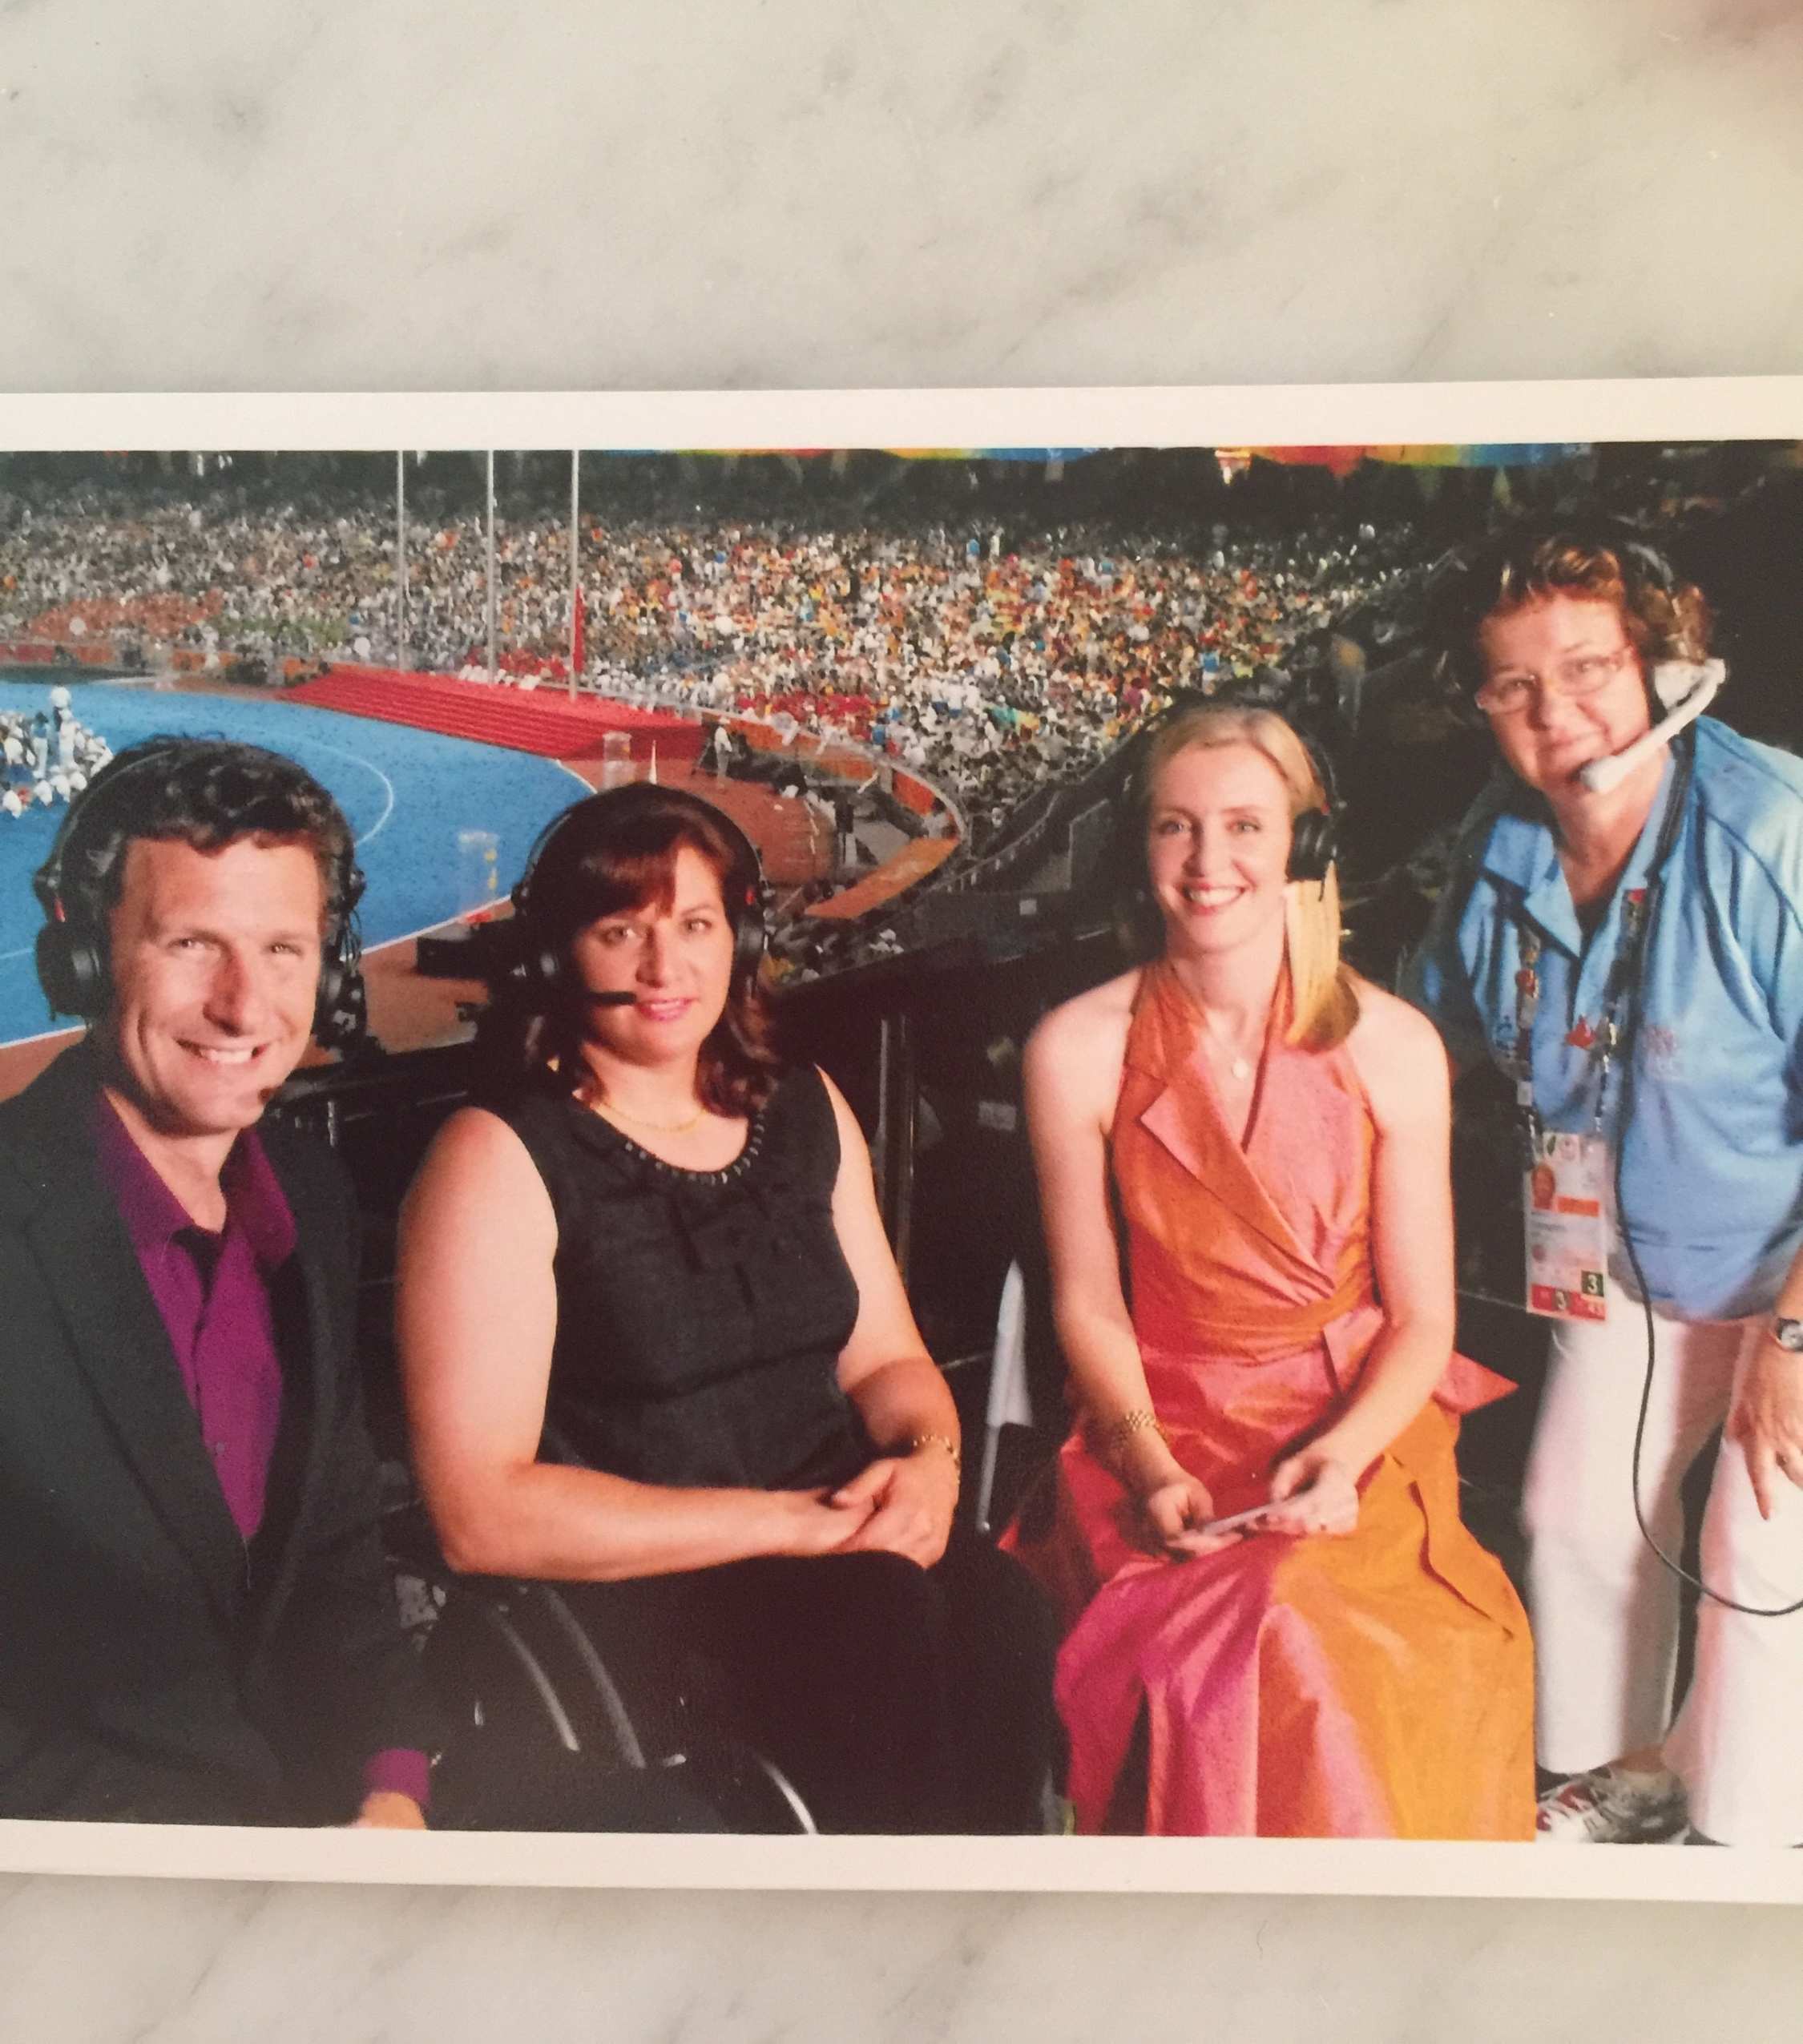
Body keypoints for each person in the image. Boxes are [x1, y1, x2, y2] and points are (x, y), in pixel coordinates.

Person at [397, 784, 1058, 1834]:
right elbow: (481, 1515)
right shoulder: (496, 1158)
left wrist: (928, 1462)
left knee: (1004, 1612)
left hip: (837, 1538)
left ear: (739, 939)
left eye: (697, 927)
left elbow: (885, 1359)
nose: (668, 970)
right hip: (648, 1581)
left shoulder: (802, 1106)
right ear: (561, 956)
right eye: (623, 933)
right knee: (878, 1624)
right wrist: (795, 1529)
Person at [1010, 704, 1533, 1838]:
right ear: (1137, 845)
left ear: (1304, 847)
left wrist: (1341, 1459)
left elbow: (1421, 1317)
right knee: (1241, 1636)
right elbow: (1087, 1301)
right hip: (1155, 1420)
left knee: (1328, 1623)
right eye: (1173, 828)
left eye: (1245, 826)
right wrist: (1144, 1462)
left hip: (1353, 1421)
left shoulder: (1396, 1048)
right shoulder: (1074, 1048)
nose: (1207, 864)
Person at [1406, 523, 1803, 1848]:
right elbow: (1421, 1035)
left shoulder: (1772, 838)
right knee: (1571, 1517)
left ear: (1659, 664)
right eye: (1513, 686)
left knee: (1755, 1558)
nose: (1554, 713)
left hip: (1791, 1275)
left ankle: (1742, 1847)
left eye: (1584, 668)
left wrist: (1793, 1337)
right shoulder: (1498, 843)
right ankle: (1616, 1781)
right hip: (1625, 1260)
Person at [0, 737, 427, 1826]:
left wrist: (391, 1779)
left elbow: (334, 1551)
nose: (246, 1008)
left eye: (284, 950)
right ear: (87, 957)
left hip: (309, 1841)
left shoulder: (310, 1194)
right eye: (192, 943)